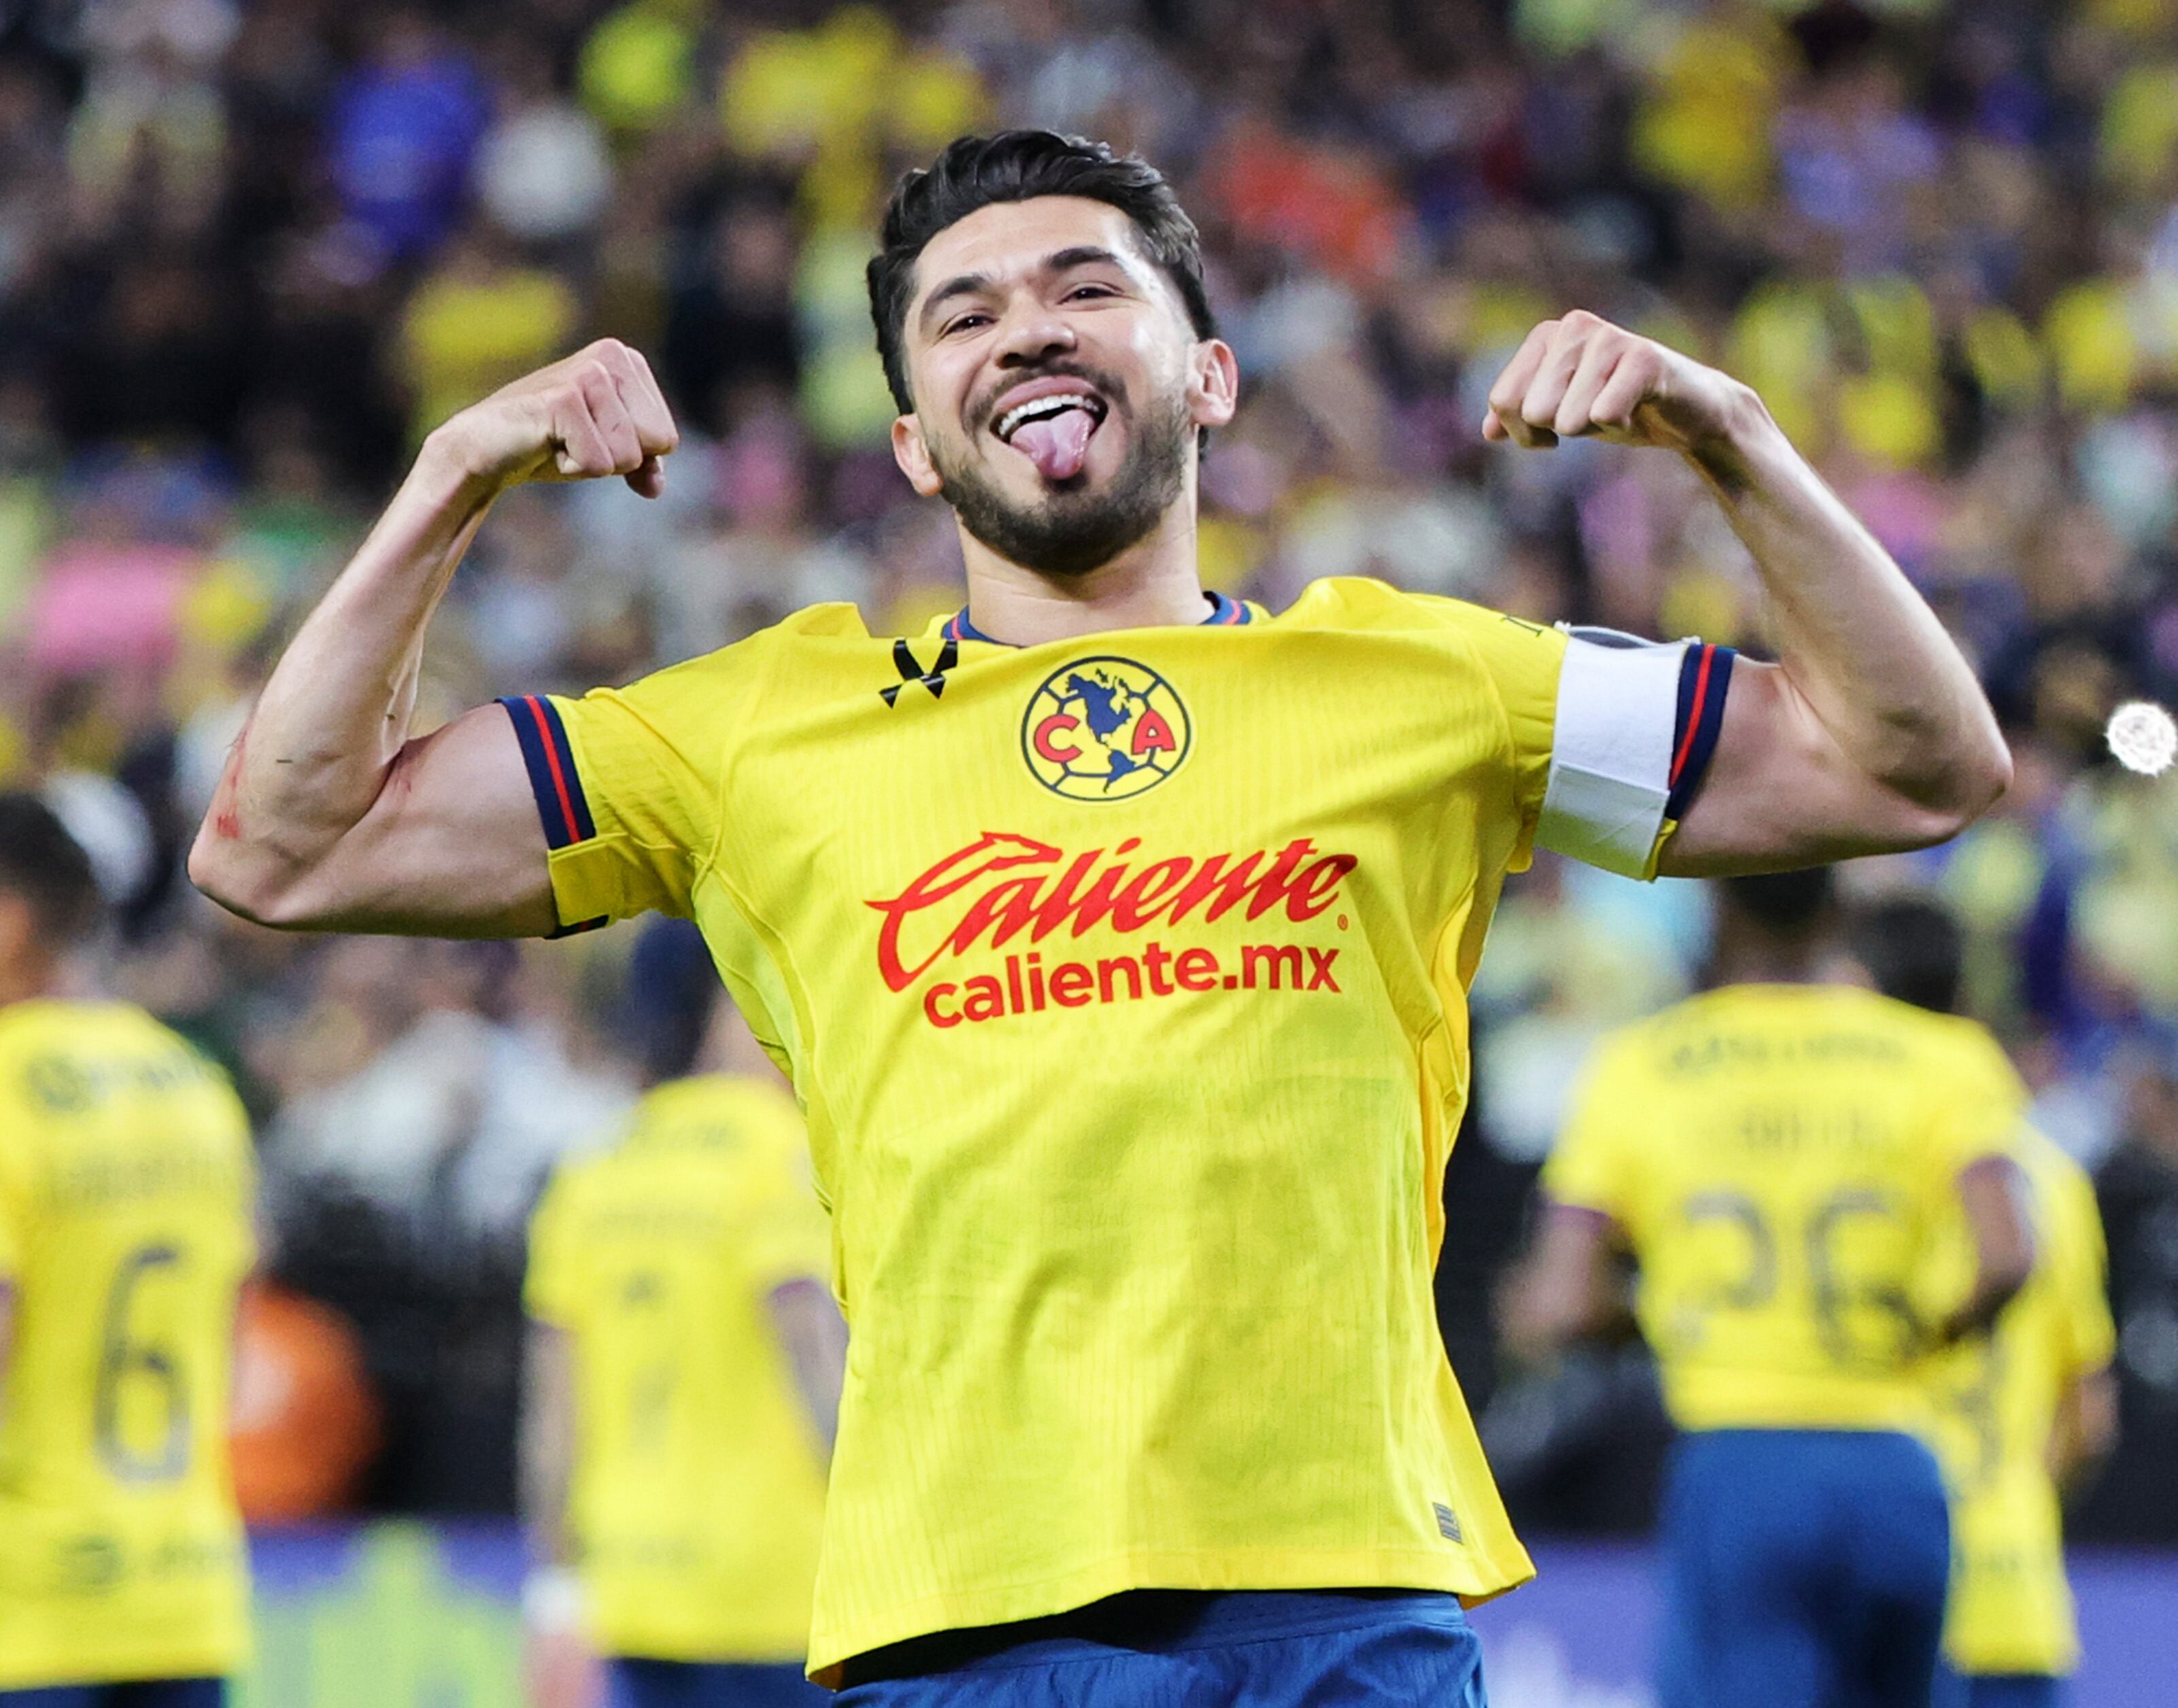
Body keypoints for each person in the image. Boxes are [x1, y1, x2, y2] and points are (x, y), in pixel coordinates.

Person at [188, 129, 2012, 1705]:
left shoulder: (1429, 684)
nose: (1028, 329)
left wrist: (1730, 439)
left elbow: (1908, 764)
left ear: (1208, 375)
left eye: (1084, 287)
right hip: (956, 1619)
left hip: (1342, 1599)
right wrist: (450, 480)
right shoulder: (753, 733)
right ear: (915, 446)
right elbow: (284, 848)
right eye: (962, 315)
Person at [1503, 870, 2037, 1708]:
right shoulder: (1942, 1057)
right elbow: (2005, 1255)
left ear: (1714, 906)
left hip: (1741, 1465)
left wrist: (1651, 1318)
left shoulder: (1641, 1065)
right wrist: (1928, 1334)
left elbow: (1559, 1303)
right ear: (1837, 908)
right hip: (1897, 1462)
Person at [521, 923, 840, 1708]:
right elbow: (814, 1362)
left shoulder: (593, 1172)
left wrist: (556, 1576)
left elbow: (553, 1413)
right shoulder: (775, 1151)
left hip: (634, 1588)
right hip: (777, 1590)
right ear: (729, 1008)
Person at [0, 793, 256, 1706]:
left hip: (29, 1607)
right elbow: (231, 1349)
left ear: (11, 919)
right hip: (184, 1593)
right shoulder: (195, 1084)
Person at [1856, 899, 2118, 1708]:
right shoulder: (2051, 1178)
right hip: (2013, 1597)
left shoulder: (1854, 1167)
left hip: (1872, 1588)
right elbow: (2089, 1417)